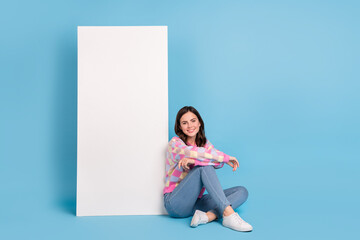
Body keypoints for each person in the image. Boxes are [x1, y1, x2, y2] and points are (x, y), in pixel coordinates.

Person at [163, 106, 253, 232]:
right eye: (184, 123)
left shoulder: (205, 144)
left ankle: (207, 217)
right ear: (180, 127)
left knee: (242, 191)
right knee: (203, 167)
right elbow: (199, 154)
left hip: (196, 204)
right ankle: (229, 215)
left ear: (199, 123)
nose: (189, 125)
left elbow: (217, 163)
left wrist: (196, 160)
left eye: (193, 121)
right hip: (175, 203)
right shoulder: (175, 144)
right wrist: (224, 158)